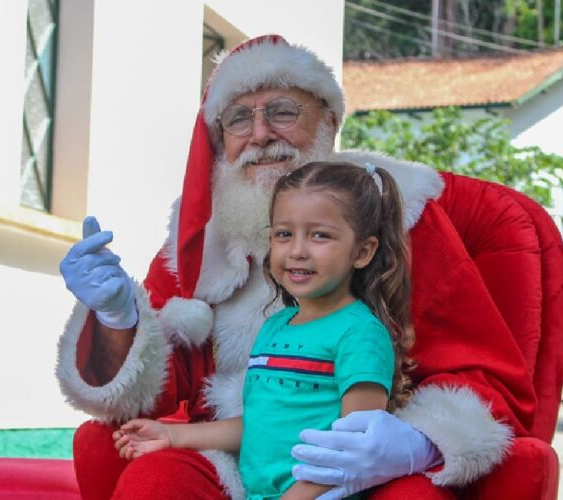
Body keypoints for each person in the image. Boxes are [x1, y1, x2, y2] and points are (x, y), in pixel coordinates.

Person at [57, 34, 536, 500]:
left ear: (328, 122)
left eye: (283, 111)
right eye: (239, 118)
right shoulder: (201, 237)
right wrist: (120, 319)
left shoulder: (396, 213)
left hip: (357, 471)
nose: (260, 135)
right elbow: (162, 394)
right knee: (154, 484)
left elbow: (479, 374)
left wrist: (418, 443)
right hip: (235, 456)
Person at [112, 161, 428, 499]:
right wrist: (171, 435)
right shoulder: (276, 326)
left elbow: (355, 452)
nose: (297, 251)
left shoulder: (360, 334)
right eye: (284, 234)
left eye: (320, 235)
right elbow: (258, 426)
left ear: (362, 252)